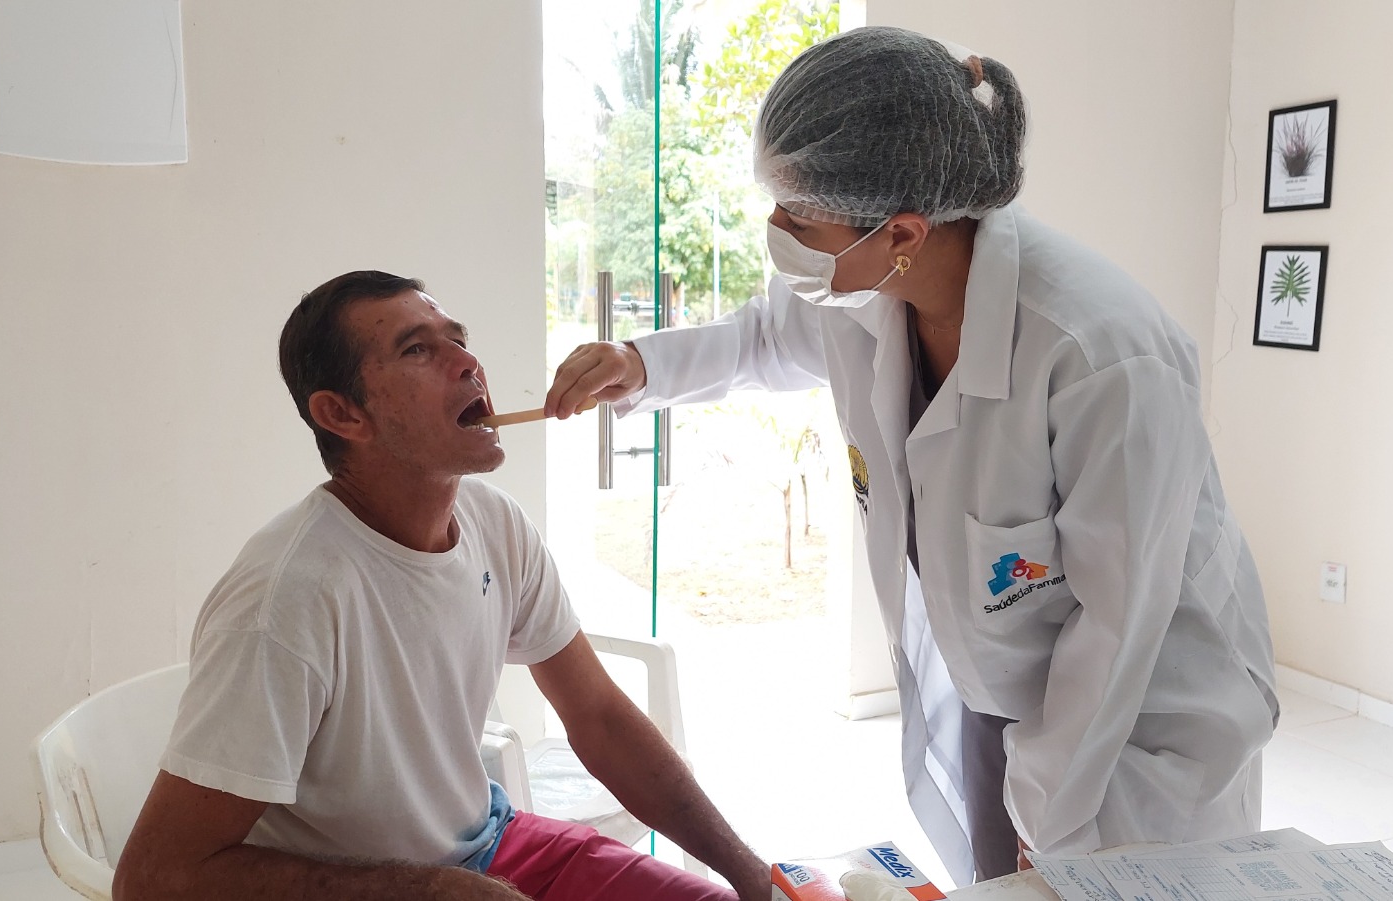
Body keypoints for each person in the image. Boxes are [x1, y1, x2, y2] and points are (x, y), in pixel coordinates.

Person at [545, 26, 1278, 886]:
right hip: (996, 682)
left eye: (797, 217)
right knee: (991, 865)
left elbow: (1119, 625)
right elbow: (763, 337)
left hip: (1143, 725)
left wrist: (1048, 806)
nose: (776, 231)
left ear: (901, 230)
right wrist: (642, 364)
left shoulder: (1098, 349)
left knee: (1098, 874)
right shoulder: (865, 289)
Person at [113, 271, 768, 901]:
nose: (467, 362)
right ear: (343, 414)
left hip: (491, 845)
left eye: (457, 337)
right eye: (418, 349)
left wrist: (753, 876)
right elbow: (154, 878)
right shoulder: (290, 596)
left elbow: (598, 716)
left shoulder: (496, 524)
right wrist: (428, 890)